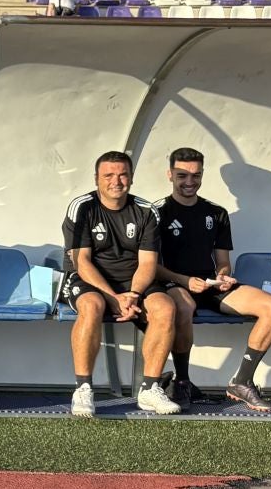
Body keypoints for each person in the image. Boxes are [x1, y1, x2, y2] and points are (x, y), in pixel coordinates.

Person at [150, 148, 271, 410]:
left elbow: (222, 261)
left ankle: (242, 381)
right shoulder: (156, 212)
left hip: (209, 286)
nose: (190, 181)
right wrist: (185, 280)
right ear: (169, 175)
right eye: (182, 175)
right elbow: (150, 266)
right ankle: (183, 381)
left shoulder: (217, 213)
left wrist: (223, 276)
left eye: (196, 175)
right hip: (172, 284)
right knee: (183, 306)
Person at [60, 151, 181, 417]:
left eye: (123, 174)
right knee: (91, 306)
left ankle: (149, 389)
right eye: (108, 175)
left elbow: (148, 264)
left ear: (132, 178)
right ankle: (83, 389)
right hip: (90, 280)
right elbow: (82, 262)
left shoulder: (146, 211)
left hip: (134, 283)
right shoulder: (82, 207)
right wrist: (113, 296)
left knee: (165, 308)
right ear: (96, 179)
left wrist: (134, 295)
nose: (116, 181)